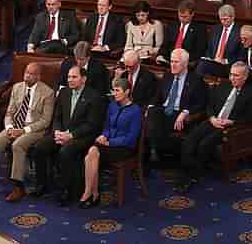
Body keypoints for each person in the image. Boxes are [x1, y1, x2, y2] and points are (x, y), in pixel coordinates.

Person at [0, 63, 55, 202]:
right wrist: (10, 128)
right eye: (26, 73)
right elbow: (9, 112)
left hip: (34, 129)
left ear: (38, 76)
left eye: (31, 74)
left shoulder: (47, 93)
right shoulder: (17, 87)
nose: (27, 76)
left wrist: (23, 130)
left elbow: (45, 121)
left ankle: (18, 187)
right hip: (15, 126)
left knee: (17, 145)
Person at [177, 62, 252, 191]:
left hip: (229, 128)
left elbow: (251, 118)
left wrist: (231, 122)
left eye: (236, 76)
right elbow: (210, 106)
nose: (232, 78)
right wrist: (211, 118)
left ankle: (192, 176)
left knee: (204, 144)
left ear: (245, 77)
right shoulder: (223, 85)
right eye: (231, 74)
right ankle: (187, 172)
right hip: (213, 121)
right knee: (190, 139)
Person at [32, 66, 104, 203]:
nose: (70, 80)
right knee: (40, 147)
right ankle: (41, 185)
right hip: (62, 133)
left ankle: (66, 190)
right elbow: (57, 117)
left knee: (65, 152)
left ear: (83, 79)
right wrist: (57, 132)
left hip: (82, 136)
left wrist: (71, 135)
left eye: (74, 77)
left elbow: (92, 125)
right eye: (69, 77)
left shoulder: (93, 96)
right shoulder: (64, 92)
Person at [79, 78, 141, 208]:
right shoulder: (112, 105)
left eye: (117, 91)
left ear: (127, 92)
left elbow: (131, 138)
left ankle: (90, 193)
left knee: (91, 155)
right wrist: (104, 136)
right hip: (108, 143)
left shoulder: (135, 111)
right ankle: (92, 193)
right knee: (91, 153)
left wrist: (110, 142)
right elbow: (107, 126)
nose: (114, 93)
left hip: (124, 148)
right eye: (113, 90)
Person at [146, 49, 206, 163]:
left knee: (153, 118)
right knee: (152, 112)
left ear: (185, 64)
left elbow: (201, 104)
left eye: (176, 62)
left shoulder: (196, 80)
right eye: (171, 61)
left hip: (179, 115)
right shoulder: (167, 75)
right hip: (163, 111)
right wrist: (150, 106)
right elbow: (157, 96)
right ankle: (153, 152)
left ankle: (154, 152)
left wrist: (186, 112)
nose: (172, 65)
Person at [196, 4, 241, 77]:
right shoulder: (215, 29)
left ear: (233, 17)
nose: (223, 22)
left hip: (227, 66)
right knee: (201, 63)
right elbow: (209, 48)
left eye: (225, 19)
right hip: (213, 62)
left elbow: (241, 56)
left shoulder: (239, 32)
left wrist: (226, 61)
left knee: (202, 66)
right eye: (221, 19)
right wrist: (210, 58)